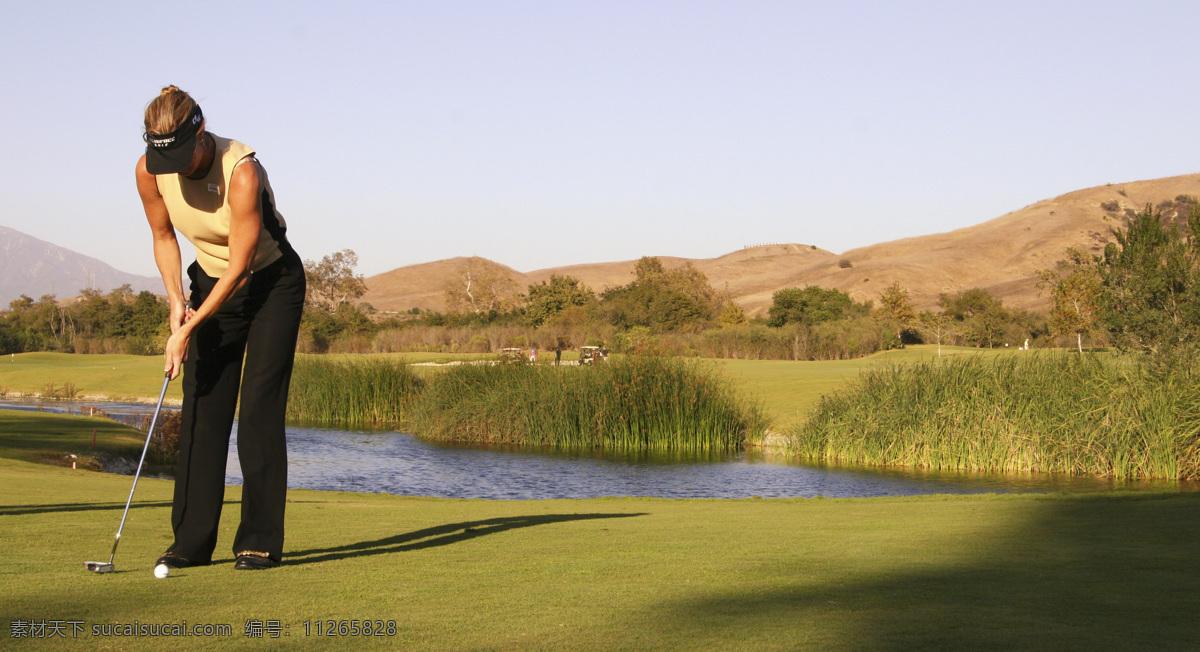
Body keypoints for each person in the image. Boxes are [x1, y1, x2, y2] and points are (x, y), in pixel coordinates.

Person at [135, 86, 305, 571]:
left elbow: (240, 267)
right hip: (208, 282)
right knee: (203, 409)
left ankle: (259, 541)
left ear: (201, 132)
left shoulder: (241, 171)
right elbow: (163, 235)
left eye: (186, 158)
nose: (178, 170)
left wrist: (187, 331)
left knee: (258, 410)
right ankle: (190, 542)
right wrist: (175, 304)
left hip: (270, 284)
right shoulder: (150, 171)